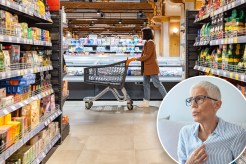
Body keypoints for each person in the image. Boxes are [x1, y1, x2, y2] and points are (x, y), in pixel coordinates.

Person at [177, 81, 246, 164]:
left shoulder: (237, 134)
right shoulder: (185, 132)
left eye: (199, 99)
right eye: (191, 100)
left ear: (217, 105)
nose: (193, 105)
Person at [129, 27, 167, 108]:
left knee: (157, 84)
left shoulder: (150, 43)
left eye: (142, 33)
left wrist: (137, 58)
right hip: (147, 67)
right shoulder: (147, 42)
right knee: (146, 84)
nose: (141, 35)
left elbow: (148, 55)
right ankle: (146, 101)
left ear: (146, 34)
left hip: (151, 67)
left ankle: (167, 99)